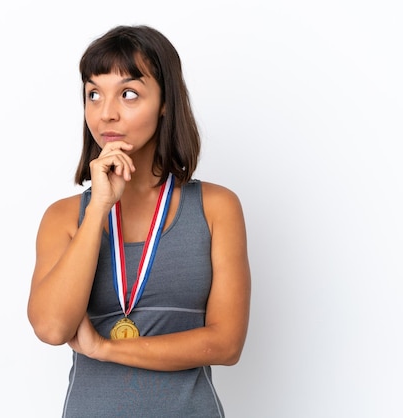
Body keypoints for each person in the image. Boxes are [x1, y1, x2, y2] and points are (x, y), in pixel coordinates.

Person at [27, 24, 251, 418]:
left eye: (128, 94)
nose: (106, 112)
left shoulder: (216, 207)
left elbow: (226, 343)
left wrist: (106, 348)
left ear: (165, 102)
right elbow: (51, 327)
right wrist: (98, 208)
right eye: (93, 94)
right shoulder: (64, 217)